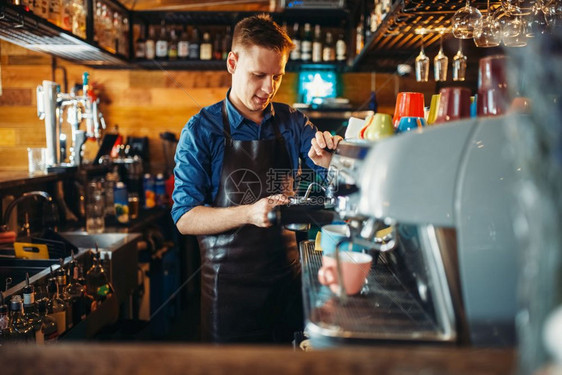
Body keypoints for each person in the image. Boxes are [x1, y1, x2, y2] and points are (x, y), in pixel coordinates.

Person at [171, 14, 342, 343]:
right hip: (229, 298)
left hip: (287, 286)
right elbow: (185, 217)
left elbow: (328, 180)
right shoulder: (200, 130)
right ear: (232, 63)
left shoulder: (292, 122)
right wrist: (249, 213)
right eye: (258, 75)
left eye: (276, 76)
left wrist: (329, 160)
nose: (268, 88)